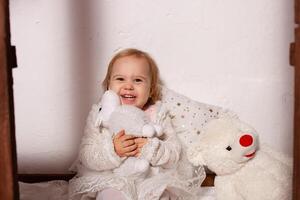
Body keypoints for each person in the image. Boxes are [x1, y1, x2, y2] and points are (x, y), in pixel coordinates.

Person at [68, 48, 205, 200]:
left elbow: (174, 154)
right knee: (110, 194)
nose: (128, 86)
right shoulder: (100, 115)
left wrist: (151, 148)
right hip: (113, 179)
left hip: (150, 180)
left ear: (151, 89)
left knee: (162, 195)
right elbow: (87, 154)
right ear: (108, 85)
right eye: (120, 79)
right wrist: (113, 151)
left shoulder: (157, 114)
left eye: (138, 80)